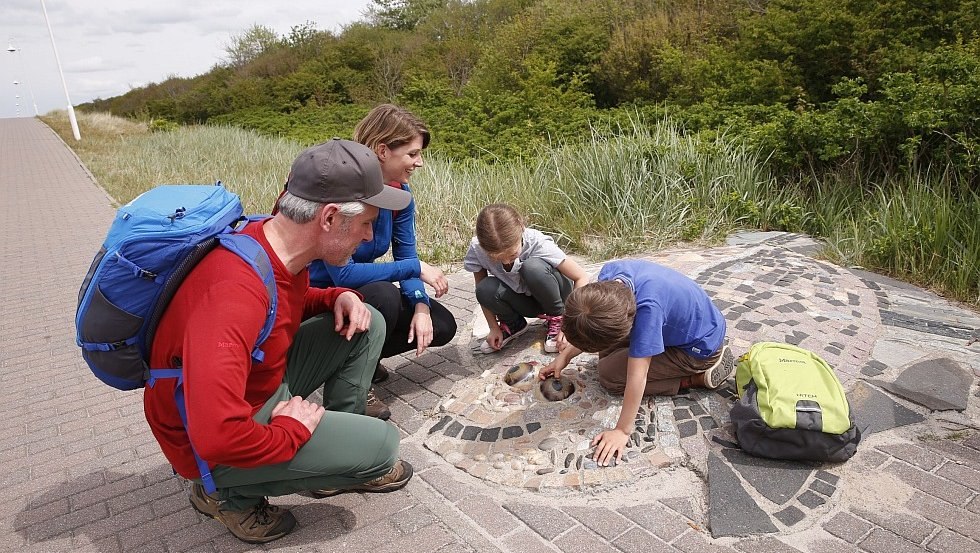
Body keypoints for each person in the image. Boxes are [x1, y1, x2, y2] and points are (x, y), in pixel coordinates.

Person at [145, 139, 415, 544]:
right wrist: (291, 432)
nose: (368, 236)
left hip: (257, 388)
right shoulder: (232, 295)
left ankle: (327, 456)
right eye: (366, 223)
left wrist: (335, 295)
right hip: (208, 444)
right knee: (382, 447)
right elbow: (216, 434)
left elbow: (280, 305)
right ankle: (225, 496)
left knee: (368, 321)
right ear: (328, 219)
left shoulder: (272, 242)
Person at [305, 105, 457, 418]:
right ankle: (352, 378)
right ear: (383, 151)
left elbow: (406, 252)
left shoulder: (400, 194)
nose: (420, 162)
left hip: (358, 295)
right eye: (413, 154)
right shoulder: (344, 192)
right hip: (322, 301)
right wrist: (414, 269)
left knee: (442, 326)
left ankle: (363, 360)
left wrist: (421, 306)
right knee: (382, 295)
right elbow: (343, 276)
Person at [539, 258, 734, 467]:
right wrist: (565, 357)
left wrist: (622, 430)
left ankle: (696, 378)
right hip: (683, 325)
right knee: (606, 353)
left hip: (698, 350)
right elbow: (589, 321)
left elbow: (636, 377)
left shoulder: (648, 313)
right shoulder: (611, 277)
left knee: (609, 376)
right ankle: (642, 351)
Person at [464, 203, 589, 354]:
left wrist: (571, 324)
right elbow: (481, 289)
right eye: (497, 258)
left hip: (557, 294)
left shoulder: (537, 242)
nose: (506, 262)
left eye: (511, 254)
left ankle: (558, 318)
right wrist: (493, 327)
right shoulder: (477, 248)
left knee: (532, 267)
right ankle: (513, 324)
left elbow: (581, 277)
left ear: (521, 226)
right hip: (528, 301)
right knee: (485, 288)